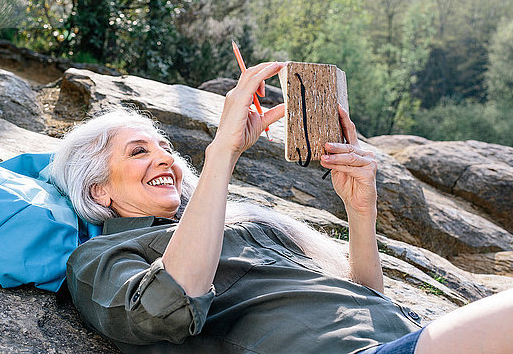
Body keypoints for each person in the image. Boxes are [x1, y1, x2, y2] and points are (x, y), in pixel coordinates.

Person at [50, 62, 513, 354]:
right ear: (98, 192)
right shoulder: (100, 258)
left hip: (398, 339)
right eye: (137, 152)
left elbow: (365, 299)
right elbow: (165, 305)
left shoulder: (240, 222)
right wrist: (222, 154)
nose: (166, 157)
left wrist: (360, 213)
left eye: (165, 145)